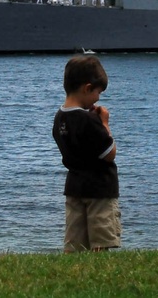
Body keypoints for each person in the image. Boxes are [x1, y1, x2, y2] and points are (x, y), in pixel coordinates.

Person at [52, 55, 120, 253]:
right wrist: (105, 123)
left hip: (74, 187)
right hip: (99, 189)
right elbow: (109, 153)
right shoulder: (89, 121)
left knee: (75, 240)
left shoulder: (60, 117)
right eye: (98, 92)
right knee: (100, 239)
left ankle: (74, 269)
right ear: (87, 88)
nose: (98, 98)